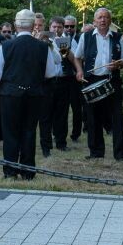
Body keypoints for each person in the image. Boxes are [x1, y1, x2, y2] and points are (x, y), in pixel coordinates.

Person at [0, 10, 58, 180]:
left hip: (10, 95)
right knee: (29, 131)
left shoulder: (6, 46)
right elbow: (50, 73)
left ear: (16, 25)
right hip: (34, 95)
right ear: (34, 25)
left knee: (10, 133)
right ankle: (27, 171)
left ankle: (10, 171)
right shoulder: (43, 47)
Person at [72, 7, 123, 160]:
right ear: (95, 21)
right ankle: (96, 153)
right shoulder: (86, 36)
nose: (103, 20)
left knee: (117, 117)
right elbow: (77, 57)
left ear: (110, 21)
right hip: (92, 80)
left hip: (112, 81)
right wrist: (79, 71)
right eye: (100, 18)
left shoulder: (119, 37)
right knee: (92, 117)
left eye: (106, 17)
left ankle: (120, 154)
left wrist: (117, 65)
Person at [38, 16, 73, 154]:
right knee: (45, 115)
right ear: (49, 27)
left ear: (63, 28)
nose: (57, 29)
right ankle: (46, 146)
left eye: (59, 27)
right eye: (54, 27)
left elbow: (68, 57)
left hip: (63, 80)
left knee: (62, 114)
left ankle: (61, 142)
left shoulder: (65, 40)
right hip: (48, 81)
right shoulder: (44, 39)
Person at [63, 14, 85, 142]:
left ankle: (76, 134)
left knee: (77, 108)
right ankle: (60, 133)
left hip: (76, 78)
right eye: (67, 26)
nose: (69, 29)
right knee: (62, 109)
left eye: (72, 26)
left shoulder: (81, 38)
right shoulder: (58, 39)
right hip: (64, 78)